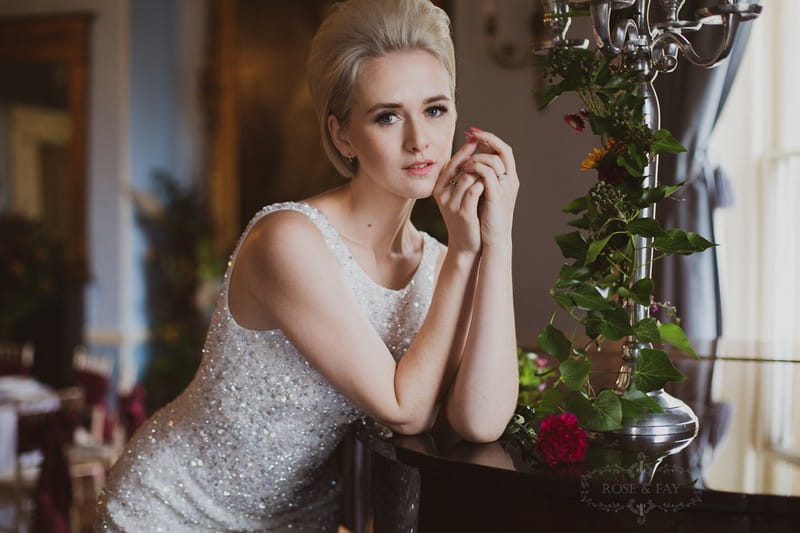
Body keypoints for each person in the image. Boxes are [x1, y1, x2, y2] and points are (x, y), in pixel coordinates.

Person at [96, 0, 519, 530]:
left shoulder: (437, 261)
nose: (419, 140)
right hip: (176, 511)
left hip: (299, 520)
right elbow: (403, 407)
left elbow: (481, 419)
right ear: (343, 135)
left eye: (435, 110)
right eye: (388, 116)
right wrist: (464, 254)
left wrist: (495, 241)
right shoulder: (289, 241)